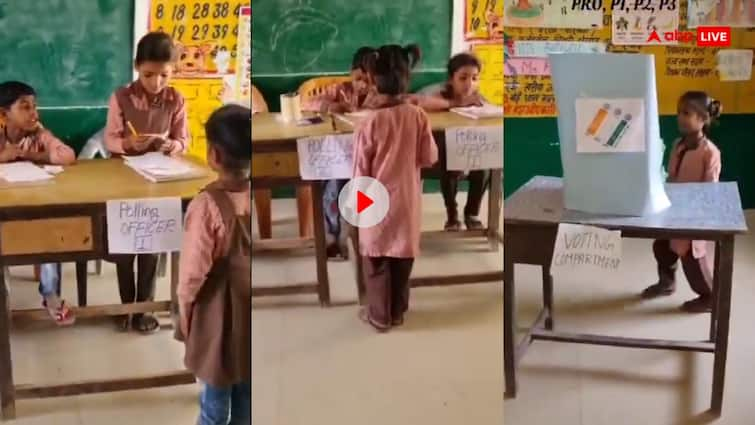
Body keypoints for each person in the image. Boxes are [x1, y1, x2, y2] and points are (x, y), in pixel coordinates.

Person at [104, 31, 189, 333]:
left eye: (164, 75)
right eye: (149, 74)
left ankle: (146, 308)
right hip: (124, 177)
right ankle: (127, 308)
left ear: (173, 71)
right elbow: (110, 139)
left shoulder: (176, 99)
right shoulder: (121, 97)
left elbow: (183, 139)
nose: (156, 83)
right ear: (137, 67)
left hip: (158, 179)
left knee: (150, 245)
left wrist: (172, 147)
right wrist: (129, 144)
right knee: (126, 246)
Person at [351, 44, 438, 331]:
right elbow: (429, 157)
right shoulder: (418, 115)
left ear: (373, 80)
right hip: (406, 200)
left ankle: (378, 315)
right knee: (402, 257)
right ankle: (398, 312)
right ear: (407, 77)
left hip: (373, 199)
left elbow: (360, 170)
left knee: (375, 259)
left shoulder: (370, 122)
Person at [177, 104, 250, 425]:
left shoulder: (206, 206)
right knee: (248, 392)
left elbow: (192, 276)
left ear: (214, 155)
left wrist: (185, 315)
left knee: (215, 401)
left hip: (218, 315)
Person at [0, 81, 76, 325]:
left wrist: (28, 154)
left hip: (31, 203)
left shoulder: (38, 134)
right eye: (25, 107)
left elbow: (67, 156)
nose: (34, 113)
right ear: (3, 114)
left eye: (35, 106)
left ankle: (50, 294)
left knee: (50, 231)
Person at [641, 91, 722, 313]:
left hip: (693, 217)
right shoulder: (678, 144)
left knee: (692, 260)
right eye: (679, 112)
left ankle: (710, 296)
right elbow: (672, 176)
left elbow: (710, 190)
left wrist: (698, 215)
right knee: (662, 247)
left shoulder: (710, 153)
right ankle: (667, 283)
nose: (680, 117)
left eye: (686, 113)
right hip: (672, 211)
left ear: (703, 119)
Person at [303, 46, 379, 259]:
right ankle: (332, 237)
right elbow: (307, 102)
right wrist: (330, 106)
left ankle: (359, 234)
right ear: (351, 73)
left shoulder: (381, 95)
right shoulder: (341, 89)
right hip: (339, 155)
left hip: (368, 156)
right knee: (332, 190)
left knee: (362, 194)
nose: (363, 84)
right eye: (358, 78)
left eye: (369, 79)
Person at [411, 53, 491, 231]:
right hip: (438, 157)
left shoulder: (478, 99)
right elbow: (417, 102)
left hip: (469, 155)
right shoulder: (437, 92)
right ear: (451, 78)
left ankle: (472, 213)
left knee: (484, 168)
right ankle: (452, 214)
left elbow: (489, 116)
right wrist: (456, 103)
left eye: (474, 78)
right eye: (462, 78)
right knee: (449, 162)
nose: (469, 83)